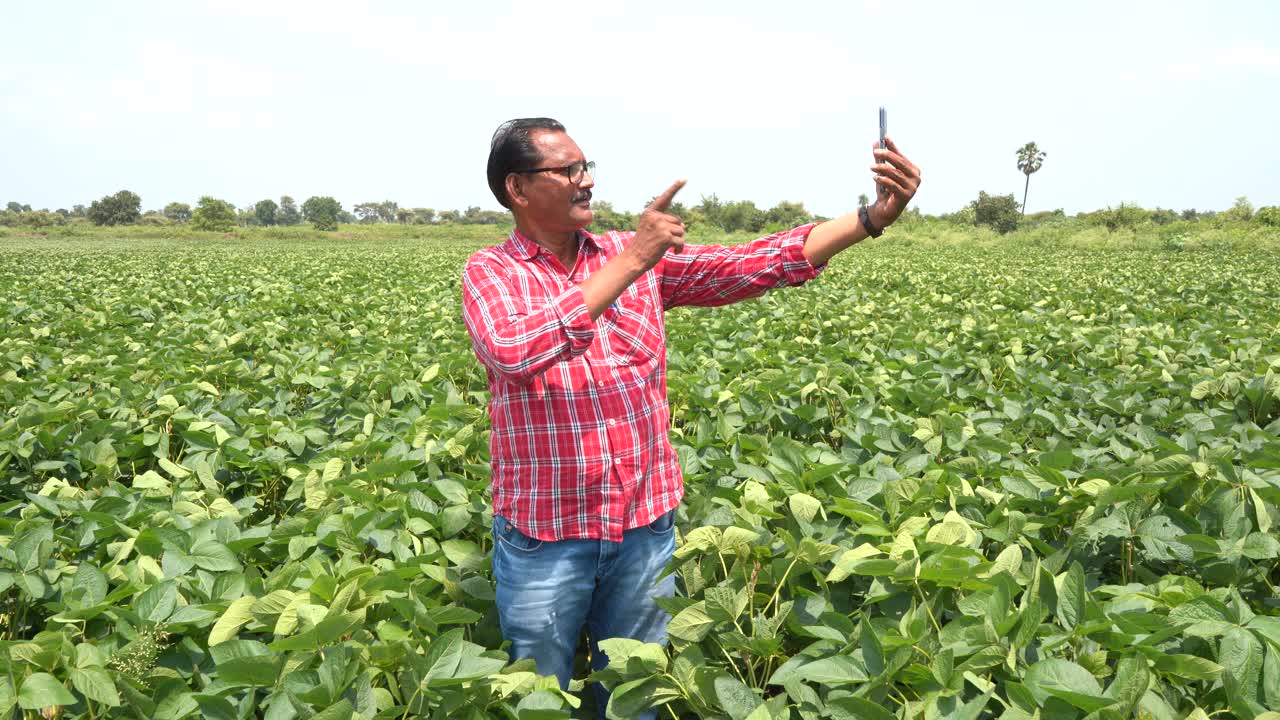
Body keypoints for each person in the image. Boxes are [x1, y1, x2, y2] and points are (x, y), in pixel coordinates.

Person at [462, 117, 920, 717]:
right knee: (539, 693)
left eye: (586, 166)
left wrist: (868, 220)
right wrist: (631, 261)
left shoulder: (633, 258)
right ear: (518, 189)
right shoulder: (493, 273)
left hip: (642, 527)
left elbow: (751, 262)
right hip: (547, 535)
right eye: (568, 170)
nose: (586, 181)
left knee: (637, 694)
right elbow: (515, 350)